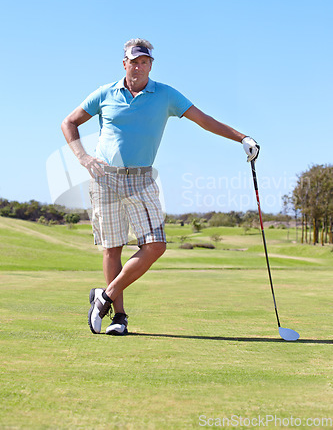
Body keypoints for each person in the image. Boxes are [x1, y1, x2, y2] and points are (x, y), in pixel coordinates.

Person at [61, 38, 259, 336]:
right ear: (124, 63)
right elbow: (69, 122)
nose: (138, 66)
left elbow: (204, 120)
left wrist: (243, 138)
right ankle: (119, 317)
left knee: (155, 245)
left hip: (141, 179)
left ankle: (104, 296)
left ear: (150, 65)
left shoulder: (165, 94)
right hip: (105, 178)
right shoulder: (105, 93)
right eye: (134, 61)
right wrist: (82, 157)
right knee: (112, 248)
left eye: (144, 62)